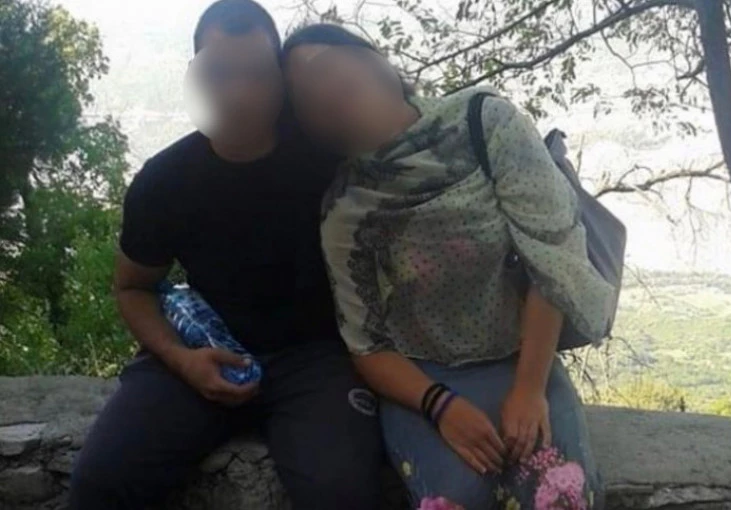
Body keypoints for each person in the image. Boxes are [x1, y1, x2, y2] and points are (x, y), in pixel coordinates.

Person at [282, 24, 616, 510]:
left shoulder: (483, 122)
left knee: (560, 497)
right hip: (422, 379)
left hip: (523, 355)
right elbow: (366, 344)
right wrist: (441, 406)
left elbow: (551, 257)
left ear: (374, 58)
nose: (325, 90)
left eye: (326, 68)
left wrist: (529, 389)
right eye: (305, 95)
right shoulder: (345, 210)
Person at [68, 4, 383, 509]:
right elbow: (133, 286)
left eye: (256, 74)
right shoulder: (166, 181)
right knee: (100, 483)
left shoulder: (328, 158)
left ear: (281, 82)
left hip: (317, 358)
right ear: (196, 77)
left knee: (343, 495)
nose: (239, 94)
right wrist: (182, 360)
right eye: (219, 73)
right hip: (207, 348)